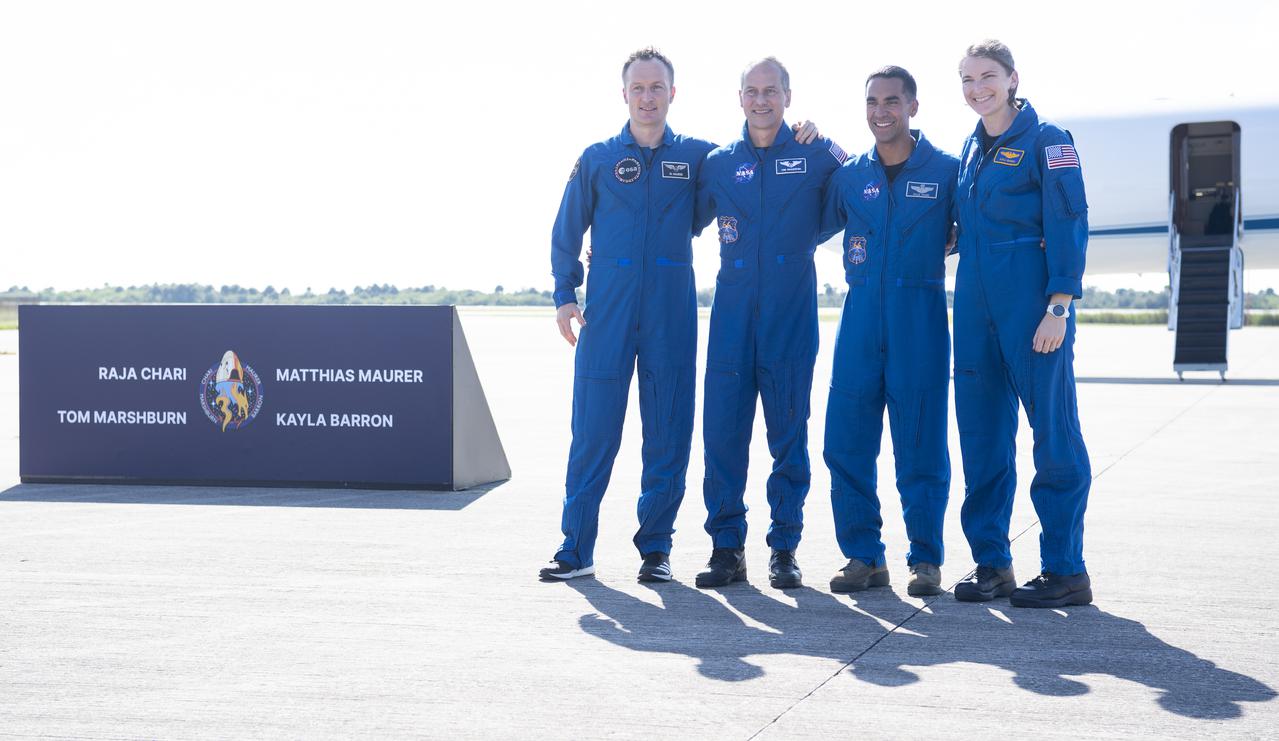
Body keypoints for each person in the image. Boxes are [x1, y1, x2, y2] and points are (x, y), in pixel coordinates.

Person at [539, 48, 715, 583]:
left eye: (656, 87)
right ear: (624, 94)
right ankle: (575, 548)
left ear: (672, 93)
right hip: (608, 311)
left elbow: (750, 171)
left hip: (671, 307)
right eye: (637, 88)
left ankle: (655, 549)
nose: (646, 97)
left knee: (667, 431)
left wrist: (807, 135)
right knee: (592, 430)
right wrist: (565, 294)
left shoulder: (701, 158)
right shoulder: (596, 158)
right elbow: (567, 231)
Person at [693, 57, 847, 590]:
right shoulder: (717, 163)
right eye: (752, 92)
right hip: (732, 321)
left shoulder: (816, 153)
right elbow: (674, 216)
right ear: (740, 98)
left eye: (772, 91)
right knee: (722, 440)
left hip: (790, 320)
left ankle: (784, 548)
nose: (762, 100)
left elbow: (862, 182)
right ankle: (726, 549)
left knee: (789, 437)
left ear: (788, 95)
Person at [951, 40, 1093, 608]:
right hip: (974, 306)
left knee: (1053, 437)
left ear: (1013, 79)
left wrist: (1059, 304)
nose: (977, 87)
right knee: (982, 437)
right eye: (966, 79)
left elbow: (1069, 218)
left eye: (987, 76)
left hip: (1032, 307)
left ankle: (1065, 569)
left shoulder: (1047, 141)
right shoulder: (969, 148)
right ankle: (992, 563)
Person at [819, 67, 959, 596]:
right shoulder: (850, 176)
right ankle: (863, 556)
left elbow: (978, 228)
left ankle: (925, 559)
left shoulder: (946, 170)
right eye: (873, 102)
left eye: (892, 102)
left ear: (913, 107)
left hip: (919, 316)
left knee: (921, 441)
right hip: (859, 318)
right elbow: (809, 220)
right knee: (846, 441)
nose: (882, 111)